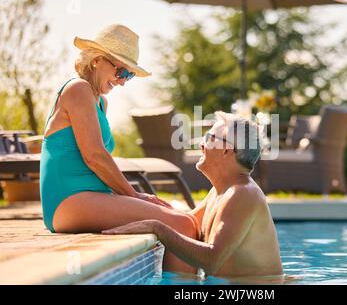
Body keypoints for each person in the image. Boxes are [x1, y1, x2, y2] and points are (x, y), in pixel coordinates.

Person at [39, 24, 197, 273]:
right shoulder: (77, 89)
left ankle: (184, 282)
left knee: (187, 219)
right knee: (182, 226)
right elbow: (94, 156)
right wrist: (133, 196)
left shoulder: (100, 101)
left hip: (89, 197)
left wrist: (132, 195)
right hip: (68, 201)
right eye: (121, 71)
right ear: (97, 61)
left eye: (129, 75)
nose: (123, 82)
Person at [103, 112, 283, 278]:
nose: (201, 144)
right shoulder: (221, 192)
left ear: (227, 149)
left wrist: (157, 228)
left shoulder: (242, 194)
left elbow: (211, 261)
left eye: (209, 138)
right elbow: (184, 222)